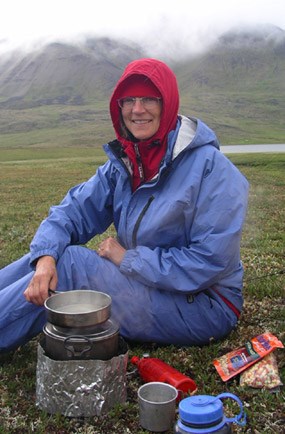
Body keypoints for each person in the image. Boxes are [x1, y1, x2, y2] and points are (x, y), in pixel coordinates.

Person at [0, 58, 249, 354]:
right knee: (51, 257)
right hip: (152, 286)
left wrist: (128, 259)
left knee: (71, 265)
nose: (137, 109)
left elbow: (207, 262)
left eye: (148, 99)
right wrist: (44, 258)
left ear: (167, 103)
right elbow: (72, 212)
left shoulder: (213, 170)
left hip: (206, 304)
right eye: (128, 100)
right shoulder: (127, 163)